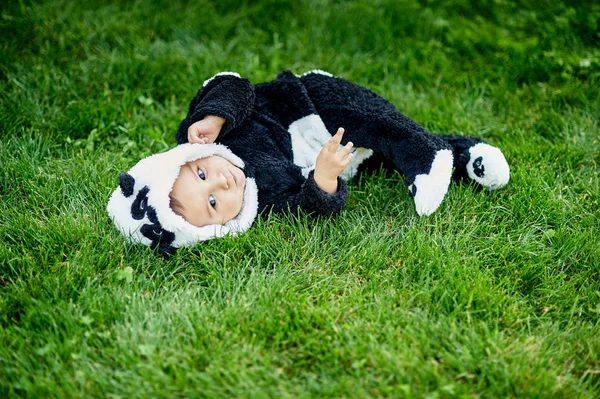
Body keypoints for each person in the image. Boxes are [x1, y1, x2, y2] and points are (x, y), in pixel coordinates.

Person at [107, 70, 509, 254]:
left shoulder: (206, 135)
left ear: (183, 159)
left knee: (375, 126)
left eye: (200, 173)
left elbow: (231, 85)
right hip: (328, 155)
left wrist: (213, 115)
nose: (221, 183)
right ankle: (463, 153)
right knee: (374, 160)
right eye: (213, 203)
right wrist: (324, 178)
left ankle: (423, 155)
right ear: (218, 230)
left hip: (308, 105)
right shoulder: (262, 204)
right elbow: (310, 209)